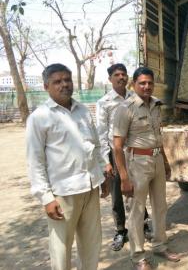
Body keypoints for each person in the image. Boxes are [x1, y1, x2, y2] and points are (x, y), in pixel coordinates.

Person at [26, 63, 108, 270]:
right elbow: (35, 161)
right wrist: (46, 198)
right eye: (57, 81)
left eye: (67, 80)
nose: (64, 85)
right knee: (61, 248)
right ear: (46, 87)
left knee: (91, 244)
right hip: (63, 194)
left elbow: (95, 146)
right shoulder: (39, 117)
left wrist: (103, 174)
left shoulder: (82, 111)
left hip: (90, 188)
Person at [113, 67, 180, 270]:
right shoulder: (126, 108)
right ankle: (138, 256)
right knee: (137, 211)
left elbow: (158, 137)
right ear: (133, 85)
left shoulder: (156, 105)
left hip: (157, 160)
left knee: (160, 206)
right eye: (142, 83)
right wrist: (124, 177)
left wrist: (166, 162)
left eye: (150, 82)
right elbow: (117, 146)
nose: (147, 86)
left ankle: (160, 245)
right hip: (137, 163)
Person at [96, 63, 152, 251]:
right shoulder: (104, 103)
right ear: (110, 79)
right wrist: (106, 162)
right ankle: (121, 231)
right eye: (117, 75)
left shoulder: (135, 98)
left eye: (124, 74)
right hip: (115, 153)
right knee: (118, 193)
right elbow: (102, 133)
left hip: (134, 152)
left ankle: (143, 225)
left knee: (138, 189)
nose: (121, 77)